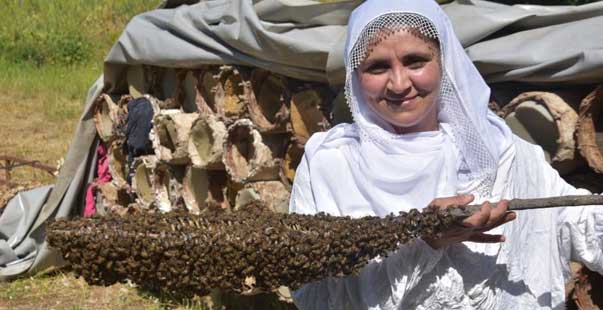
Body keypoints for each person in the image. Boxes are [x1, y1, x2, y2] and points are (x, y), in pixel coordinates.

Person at [288, 0, 603, 309]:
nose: (399, 84)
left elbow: (583, 227)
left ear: (445, 61)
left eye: (415, 61)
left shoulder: (501, 152)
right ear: (356, 75)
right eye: (377, 67)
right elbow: (314, 293)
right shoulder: (330, 163)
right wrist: (425, 242)